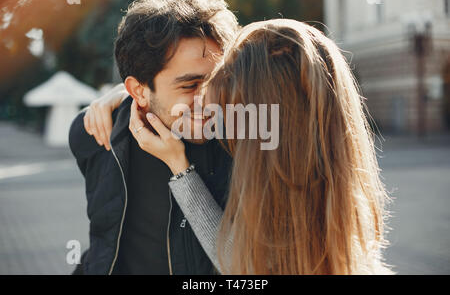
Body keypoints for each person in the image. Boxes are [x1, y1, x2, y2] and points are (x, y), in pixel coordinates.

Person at [95, 19, 393, 274]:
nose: (210, 106)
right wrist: (133, 96)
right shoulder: (333, 192)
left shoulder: (273, 176)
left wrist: (180, 168)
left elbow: (241, 266)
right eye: (191, 85)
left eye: (232, 102)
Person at [68, 0, 239, 275]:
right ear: (138, 90)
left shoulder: (242, 145)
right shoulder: (95, 133)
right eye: (190, 85)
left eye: (219, 80)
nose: (210, 99)